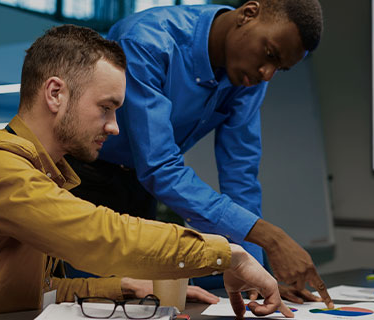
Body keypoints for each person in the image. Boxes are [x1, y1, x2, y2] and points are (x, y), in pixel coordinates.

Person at [0, 25, 295, 319]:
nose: (114, 127)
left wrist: (119, 286)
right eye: (105, 108)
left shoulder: (45, 172)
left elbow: (35, 290)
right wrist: (228, 254)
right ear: (55, 94)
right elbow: (99, 235)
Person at [66, 0, 335, 307]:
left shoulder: (248, 77)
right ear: (249, 13)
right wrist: (270, 237)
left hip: (140, 189)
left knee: (144, 305)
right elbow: (160, 167)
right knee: (88, 304)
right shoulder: (147, 41)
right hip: (82, 180)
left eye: (280, 68)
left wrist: (256, 275)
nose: (267, 73)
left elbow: (240, 176)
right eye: (270, 54)